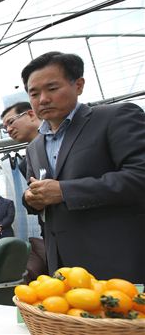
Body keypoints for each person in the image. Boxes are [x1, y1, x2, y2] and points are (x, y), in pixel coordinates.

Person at [21, 51, 145, 283]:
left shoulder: (115, 117)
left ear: (78, 85)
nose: (43, 99)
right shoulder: (34, 147)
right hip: (62, 267)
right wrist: (31, 198)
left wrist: (65, 191)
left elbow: (139, 177)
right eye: (34, 93)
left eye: (52, 88)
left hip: (115, 261)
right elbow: (40, 193)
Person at [0, 101, 47, 281]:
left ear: (31, 114)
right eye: (5, 127)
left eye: (11, 122)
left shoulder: (65, 138)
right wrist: (28, 197)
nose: (9, 129)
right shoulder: (30, 154)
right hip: (52, 234)